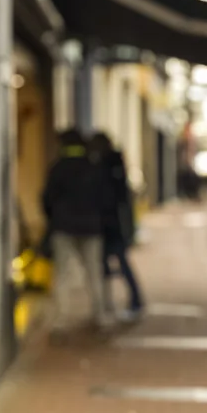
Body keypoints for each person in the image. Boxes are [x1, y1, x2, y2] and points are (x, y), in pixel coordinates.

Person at [42, 128, 114, 327]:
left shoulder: (58, 168)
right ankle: (99, 315)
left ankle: (61, 320)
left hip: (63, 226)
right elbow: (106, 198)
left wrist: (53, 219)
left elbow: (47, 198)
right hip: (91, 227)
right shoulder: (93, 167)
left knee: (63, 274)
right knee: (94, 271)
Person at [89, 132, 144, 318]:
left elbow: (111, 198)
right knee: (115, 264)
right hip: (112, 224)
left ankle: (111, 304)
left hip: (109, 225)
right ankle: (113, 304)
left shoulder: (104, 167)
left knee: (113, 264)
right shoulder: (114, 166)